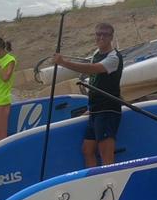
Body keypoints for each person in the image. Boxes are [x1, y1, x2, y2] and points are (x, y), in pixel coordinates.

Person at [51, 22, 124, 167]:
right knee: (87, 150)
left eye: (105, 34)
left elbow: (92, 69)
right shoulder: (96, 54)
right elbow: (95, 80)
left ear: (111, 37)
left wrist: (64, 62)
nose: (101, 37)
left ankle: (109, 185)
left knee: (106, 158)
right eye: (98, 34)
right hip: (95, 109)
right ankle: (93, 181)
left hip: (108, 110)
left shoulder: (114, 58)